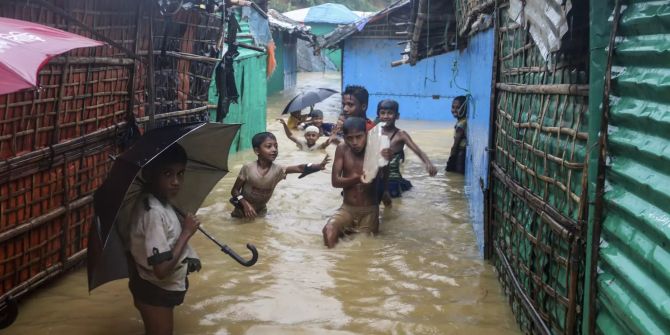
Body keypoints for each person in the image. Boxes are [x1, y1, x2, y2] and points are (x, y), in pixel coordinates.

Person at [127, 143, 201, 335]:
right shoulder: (153, 212)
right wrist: (186, 233)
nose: (176, 181)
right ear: (150, 175)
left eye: (180, 173)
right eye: (168, 174)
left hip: (153, 288)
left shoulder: (162, 203)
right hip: (154, 290)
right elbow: (161, 270)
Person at [230, 132, 330, 218]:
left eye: (276, 146)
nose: (274, 150)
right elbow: (234, 191)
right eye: (269, 146)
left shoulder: (278, 170)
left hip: (261, 212)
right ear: (257, 151)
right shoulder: (247, 168)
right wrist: (245, 203)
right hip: (241, 211)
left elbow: (300, 168)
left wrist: (318, 166)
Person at [322, 117, 382, 248]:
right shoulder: (342, 149)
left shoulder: (376, 150)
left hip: (369, 211)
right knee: (328, 230)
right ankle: (330, 261)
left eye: (359, 137)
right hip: (347, 208)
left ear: (366, 135)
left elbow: (383, 179)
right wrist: (357, 178)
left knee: (361, 246)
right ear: (344, 137)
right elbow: (335, 182)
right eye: (350, 138)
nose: (354, 142)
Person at [377, 99, 438, 204]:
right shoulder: (374, 132)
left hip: (393, 180)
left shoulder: (401, 135)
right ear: (378, 115)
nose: (386, 116)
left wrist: (428, 163)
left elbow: (417, 151)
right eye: (382, 113)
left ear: (397, 116)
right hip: (376, 178)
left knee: (392, 207)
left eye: (390, 113)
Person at [446, 96, 467, 174]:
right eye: (453, 107)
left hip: (460, 154)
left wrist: (451, 158)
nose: (454, 110)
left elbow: (456, 144)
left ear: (464, 108)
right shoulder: (462, 121)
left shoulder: (461, 124)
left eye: (458, 108)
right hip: (461, 152)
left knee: (458, 174)